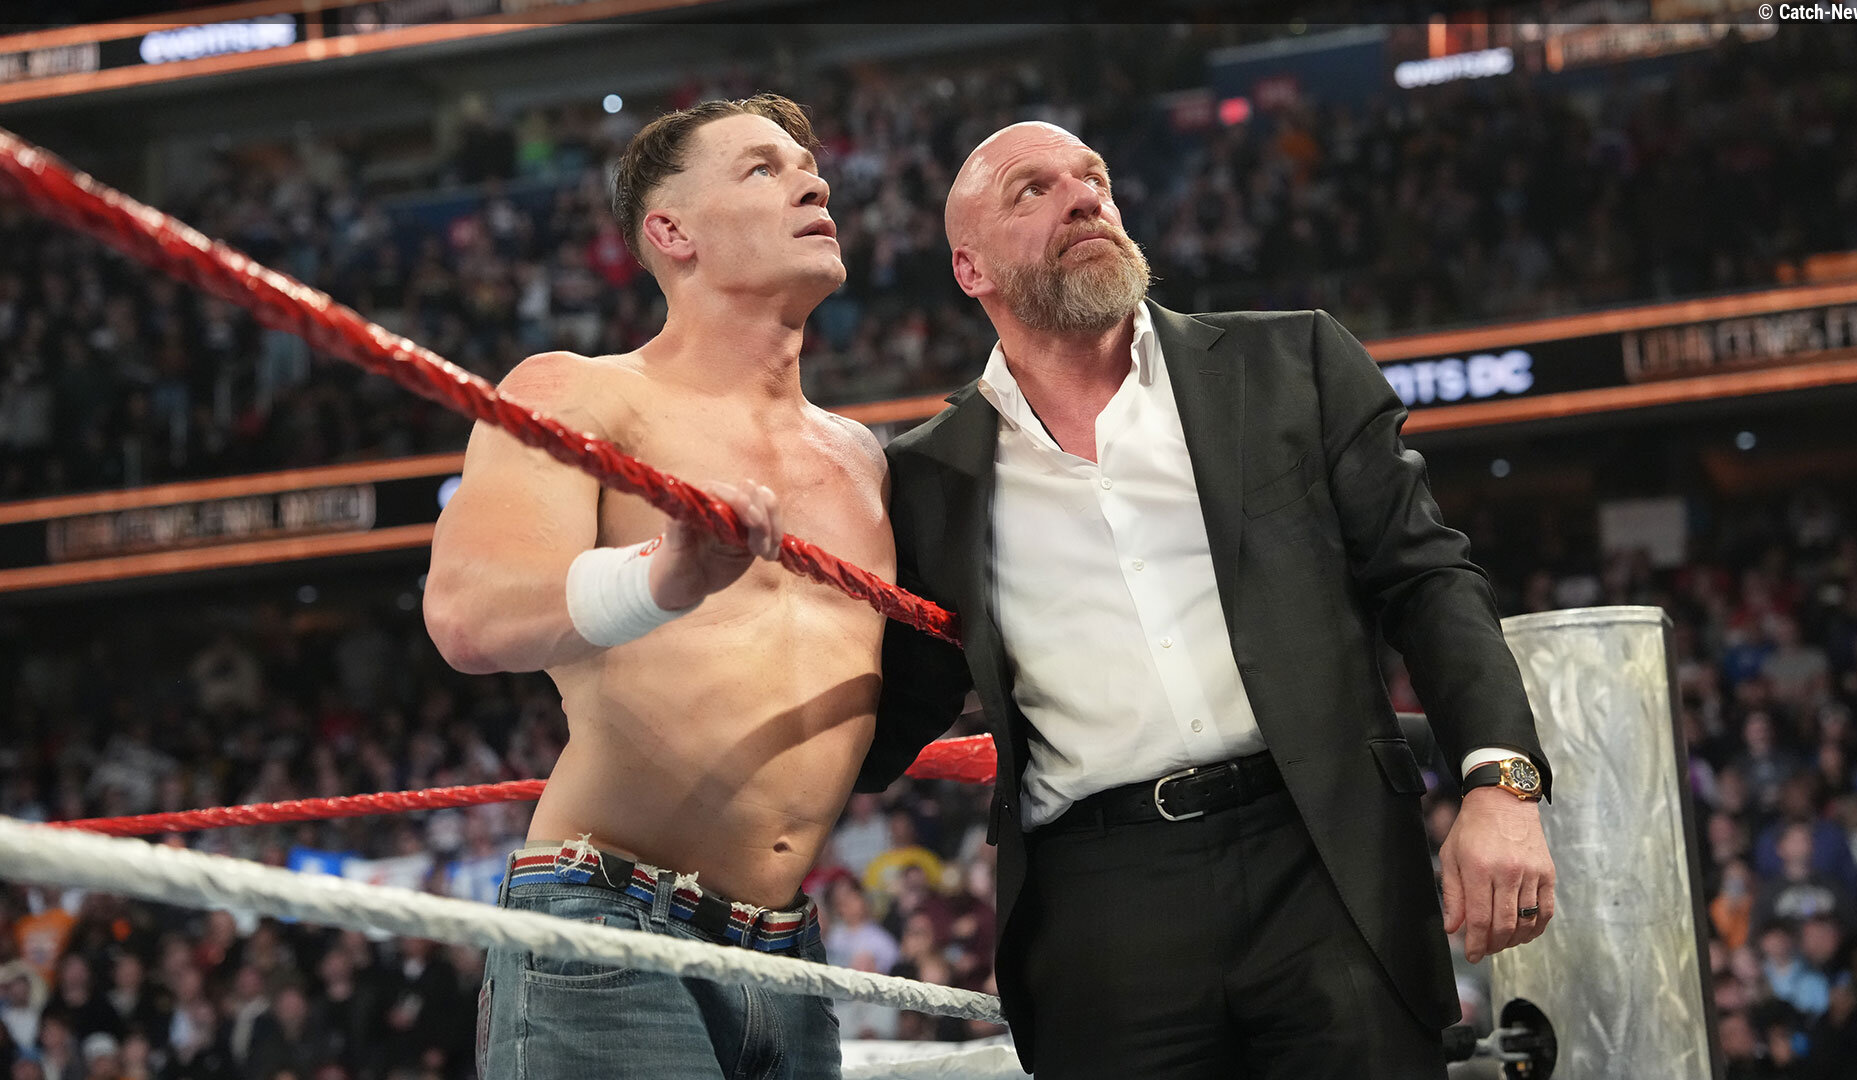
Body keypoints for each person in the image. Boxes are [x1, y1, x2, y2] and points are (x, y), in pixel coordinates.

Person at [859, 121, 1557, 1078]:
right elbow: (891, 713)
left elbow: (1427, 577)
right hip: (1103, 902)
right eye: (1033, 189)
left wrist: (1500, 783)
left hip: (1324, 860)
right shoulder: (930, 476)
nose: (1083, 198)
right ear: (968, 268)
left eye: (1094, 178)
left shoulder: (1291, 363)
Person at [425, 93, 890, 1080]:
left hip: (789, 956)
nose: (814, 184)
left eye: (811, 169)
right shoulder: (583, 392)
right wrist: (662, 578)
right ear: (671, 232)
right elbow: (469, 614)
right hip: (609, 924)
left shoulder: (862, 461)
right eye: (762, 168)